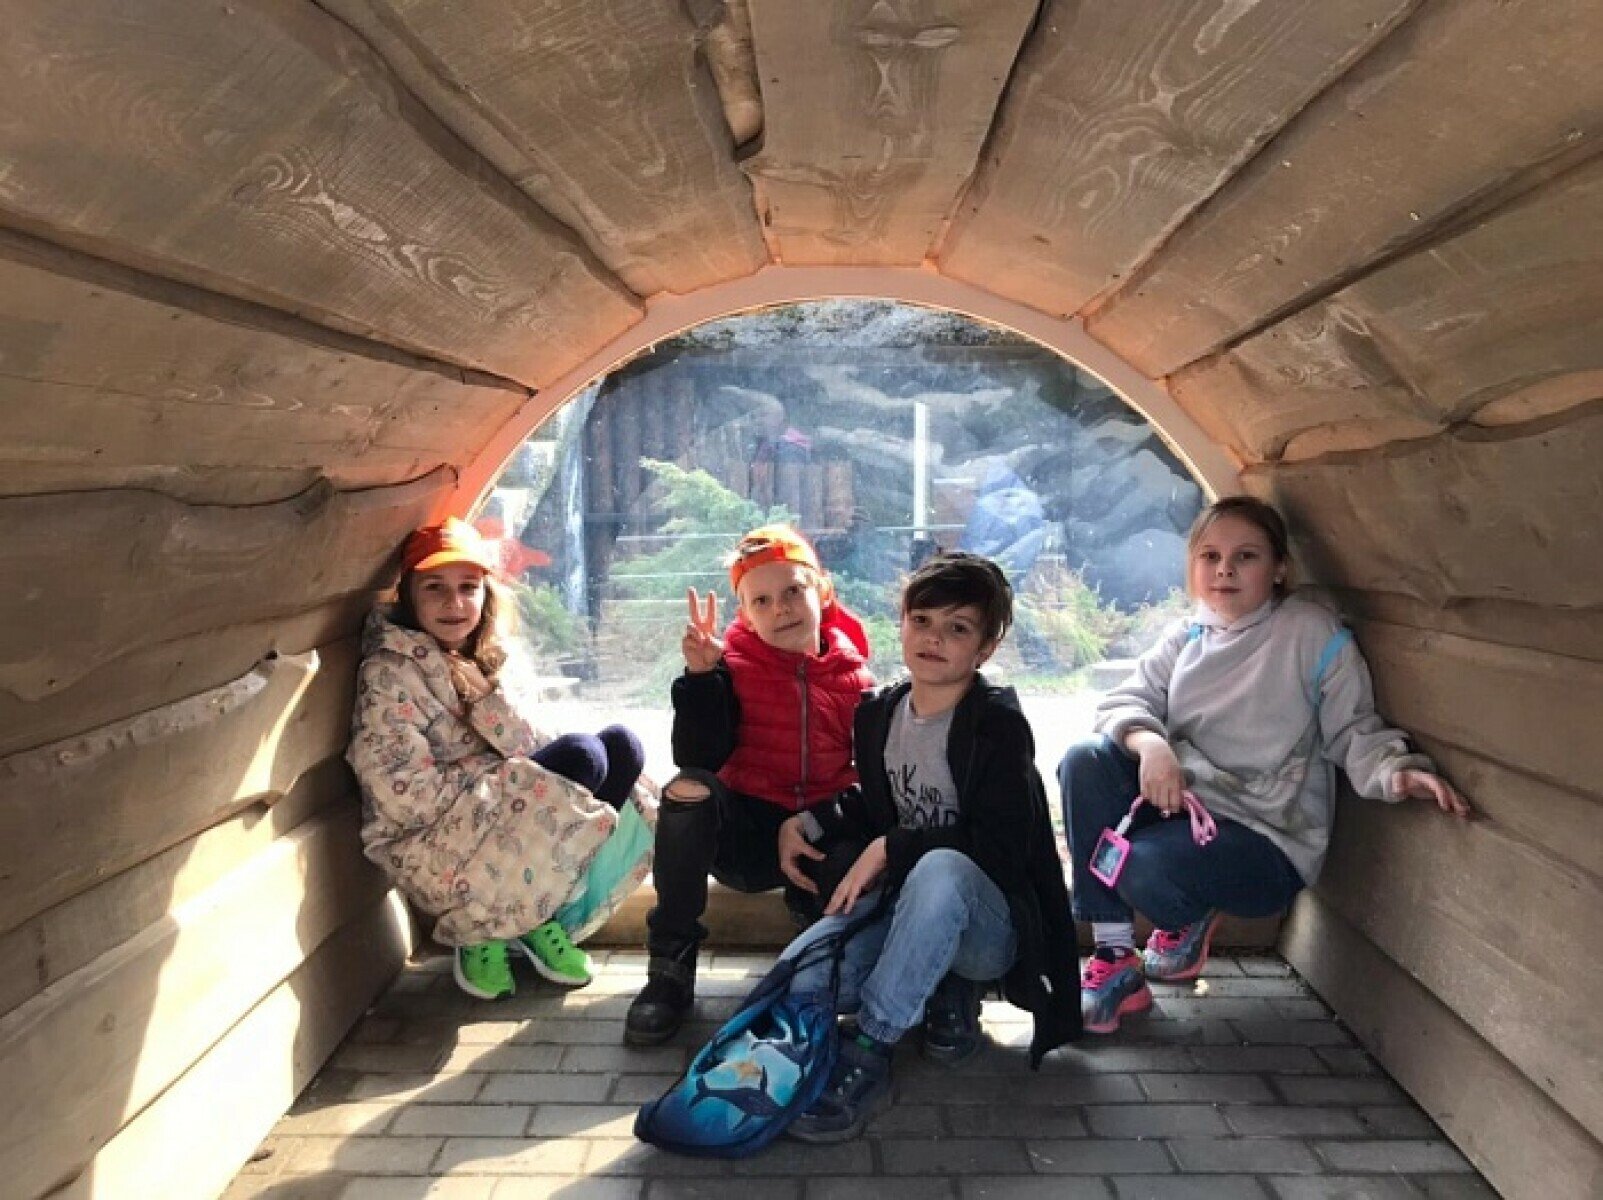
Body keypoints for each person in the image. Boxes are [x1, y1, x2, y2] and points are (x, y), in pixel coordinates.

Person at [1059, 495, 1471, 1034]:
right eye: (1210, 556)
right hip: (1188, 817)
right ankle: (1115, 959)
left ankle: (1190, 913)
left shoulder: (1310, 633)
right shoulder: (1186, 636)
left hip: (1264, 839)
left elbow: (1352, 727)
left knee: (1142, 867)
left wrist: (1394, 771)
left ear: (1279, 568)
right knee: (1085, 760)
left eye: (1246, 556)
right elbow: (1123, 703)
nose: (1224, 570)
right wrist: (1152, 745)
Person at [774, 552, 1080, 1143]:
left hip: (987, 929)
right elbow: (881, 800)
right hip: (908, 910)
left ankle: (872, 1044)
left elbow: (1001, 848)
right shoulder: (881, 714)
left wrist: (893, 848)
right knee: (803, 984)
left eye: (957, 628)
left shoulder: (995, 725)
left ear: (985, 648)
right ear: (902, 624)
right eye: (922, 621)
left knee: (941, 869)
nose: (933, 638)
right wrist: (806, 822)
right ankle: (936, 989)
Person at [347, 518, 656, 1001]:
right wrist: (497, 778)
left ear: (485, 595)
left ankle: (532, 913)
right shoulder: (390, 673)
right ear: (409, 595)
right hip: (432, 840)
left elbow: (527, 744)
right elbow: (401, 796)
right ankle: (480, 930)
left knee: (620, 749)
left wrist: (490, 703)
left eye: (468, 587)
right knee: (581, 756)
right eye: (435, 588)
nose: (454, 603)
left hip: (491, 820)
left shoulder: (489, 656)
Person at [625, 526, 875, 1046]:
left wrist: (814, 822)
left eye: (793, 592)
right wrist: (701, 679)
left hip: (815, 834)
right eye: (761, 600)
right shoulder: (730, 669)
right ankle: (670, 966)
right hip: (745, 834)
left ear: (823, 591)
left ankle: (816, 946)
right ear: (744, 612)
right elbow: (697, 758)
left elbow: (872, 783)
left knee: (856, 855)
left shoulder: (855, 680)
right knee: (687, 790)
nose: (780, 608)